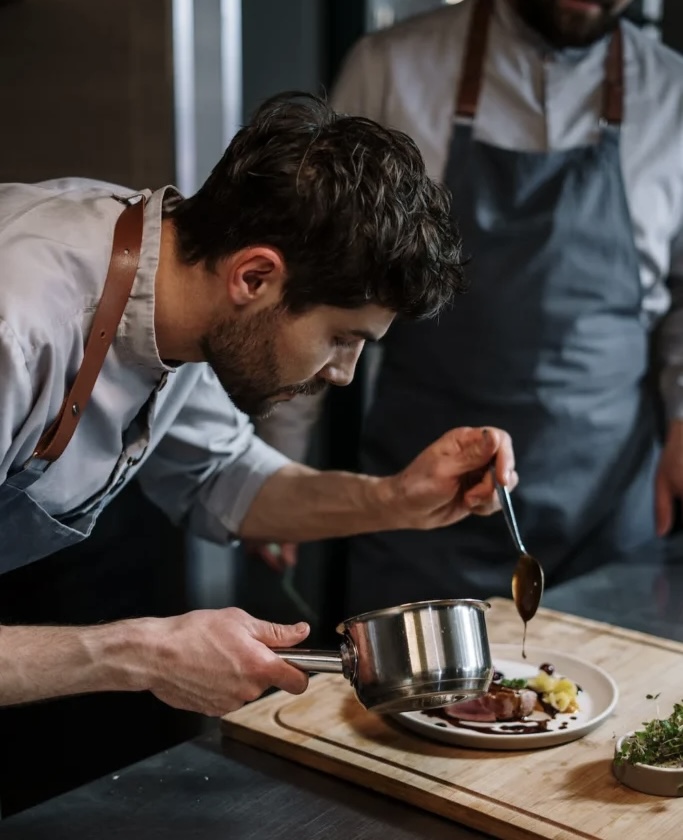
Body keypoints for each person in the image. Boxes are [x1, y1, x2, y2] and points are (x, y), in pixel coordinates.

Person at [0, 92, 517, 717]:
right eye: (341, 338)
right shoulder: (18, 332)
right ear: (253, 277)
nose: (344, 373)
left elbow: (222, 478)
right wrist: (138, 655)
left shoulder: (177, 279)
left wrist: (396, 499)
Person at [254, 0, 683, 616]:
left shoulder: (673, 95)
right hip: (418, 508)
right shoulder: (391, 68)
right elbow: (316, 285)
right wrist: (277, 472)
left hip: (608, 512)